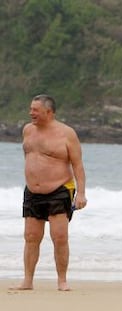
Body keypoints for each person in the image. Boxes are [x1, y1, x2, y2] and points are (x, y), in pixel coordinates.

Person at [13, 94, 87, 291]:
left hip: (59, 189)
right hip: (32, 191)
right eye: (31, 109)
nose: (31, 113)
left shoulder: (67, 134)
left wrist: (81, 193)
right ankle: (28, 280)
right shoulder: (27, 130)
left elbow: (78, 165)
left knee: (60, 236)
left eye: (35, 110)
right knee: (30, 236)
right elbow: (31, 158)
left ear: (49, 112)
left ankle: (62, 280)